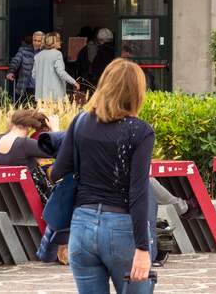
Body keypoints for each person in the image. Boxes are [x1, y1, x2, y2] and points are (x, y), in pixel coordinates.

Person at [51, 60, 156, 294]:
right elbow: (138, 193)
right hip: (122, 226)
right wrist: (142, 248)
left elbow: (57, 172)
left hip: (82, 225)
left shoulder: (80, 122)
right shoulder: (140, 131)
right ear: (137, 92)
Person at [0, 109, 60, 202]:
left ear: (12, 123)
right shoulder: (24, 144)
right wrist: (56, 129)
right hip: (37, 200)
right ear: (29, 127)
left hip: (12, 199)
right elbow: (60, 150)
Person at [35, 33, 80, 102]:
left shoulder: (38, 56)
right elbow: (61, 72)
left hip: (40, 96)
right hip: (55, 95)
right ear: (53, 42)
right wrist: (74, 82)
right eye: (58, 40)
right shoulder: (57, 54)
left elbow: (34, 75)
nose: (61, 42)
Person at [8, 30, 44, 103]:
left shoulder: (46, 53)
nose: (36, 43)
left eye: (39, 41)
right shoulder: (23, 50)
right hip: (25, 87)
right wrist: (11, 72)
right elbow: (15, 61)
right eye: (35, 40)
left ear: (43, 42)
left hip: (41, 88)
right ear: (32, 40)